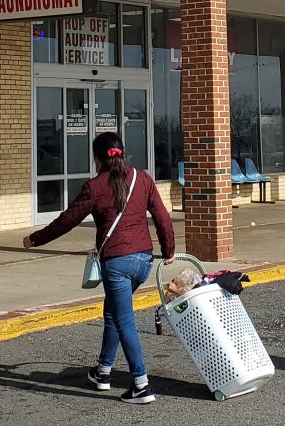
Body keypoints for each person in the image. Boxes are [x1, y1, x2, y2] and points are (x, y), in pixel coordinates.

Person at [24, 132, 175, 404]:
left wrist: (35, 239)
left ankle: (141, 385)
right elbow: (162, 216)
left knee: (123, 320)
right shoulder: (142, 179)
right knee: (113, 313)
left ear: (97, 157)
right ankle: (102, 372)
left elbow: (68, 219)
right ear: (122, 152)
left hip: (116, 262)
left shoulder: (95, 186)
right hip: (142, 260)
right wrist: (169, 250)